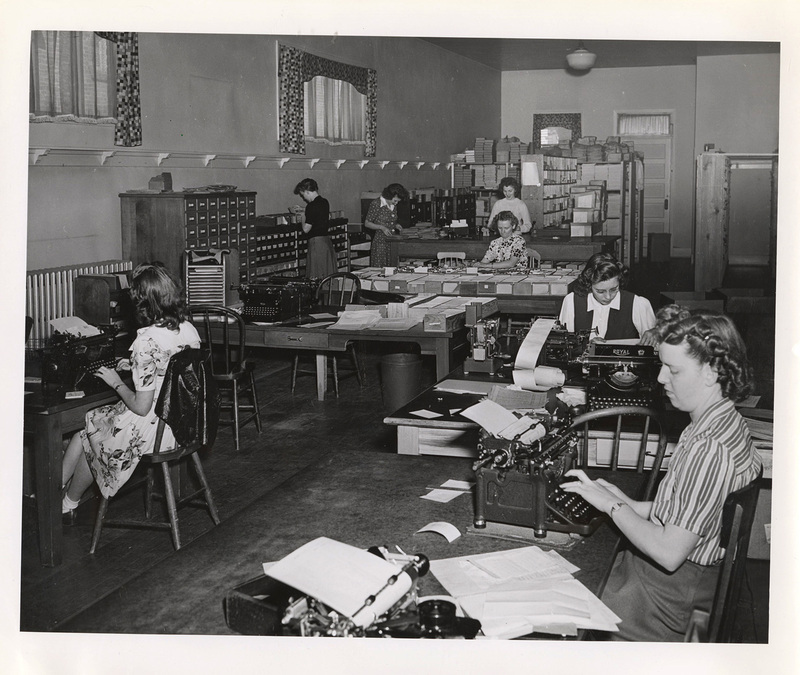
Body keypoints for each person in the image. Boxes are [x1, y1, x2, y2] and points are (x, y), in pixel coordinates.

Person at [561, 305, 762, 641]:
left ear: (711, 371)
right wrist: (614, 495)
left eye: (673, 370)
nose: (660, 378)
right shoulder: (719, 423)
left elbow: (670, 553)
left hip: (670, 594)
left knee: (562, 603)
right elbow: (688, 513)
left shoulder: (709, 448)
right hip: (677, 581)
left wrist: (613, 507)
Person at [60, 262, 202, 523]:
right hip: (182, 422)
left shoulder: (146, 339)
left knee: (91, 425)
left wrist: (116, 381)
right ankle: (60, 497)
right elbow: (169, 369)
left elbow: (141, 406)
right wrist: (136, 365)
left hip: (154, 429)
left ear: (144, 303)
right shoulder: (187, 328)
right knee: (89, 428)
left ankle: (66, 500)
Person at [558, 252, 658, 345]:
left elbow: (654, 346)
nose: (608, 297)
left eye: (614, 289)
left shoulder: (637, 304)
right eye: (600, 291)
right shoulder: (572, 302)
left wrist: (656, 332)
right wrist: (587, 345)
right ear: (589, 284)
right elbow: (563, 343)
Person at [289, 177, 337, 279]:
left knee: (317, 275)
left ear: (307, 192)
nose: (304, 198)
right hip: (326, 242)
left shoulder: (311, 206)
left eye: (303, 195)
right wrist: (304, 209)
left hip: (316, 243)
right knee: (326, 273)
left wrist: (301, 215)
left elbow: (306, 229)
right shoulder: (324, 202)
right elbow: (317, 213)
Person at [365, 183, 409, 267]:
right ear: (389, 196)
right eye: (395, 201)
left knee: (392, 267)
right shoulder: (376, 204)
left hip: (392, 242)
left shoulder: (393, 205)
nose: (396, 203)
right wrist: (381, 228)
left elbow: (389, 220)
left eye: (397, 201)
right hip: (380, 243)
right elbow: (367, 223)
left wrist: (396, 225)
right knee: (380, 268)